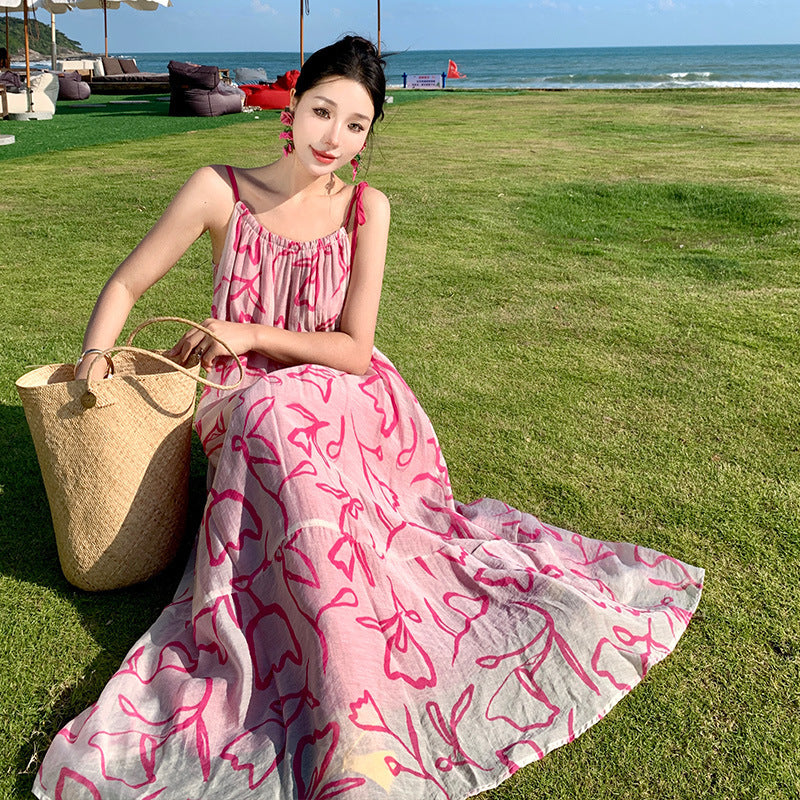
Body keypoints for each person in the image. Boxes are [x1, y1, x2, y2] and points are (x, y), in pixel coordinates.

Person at [35, 36, 703, 800]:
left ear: (369, 135)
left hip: (348, 392)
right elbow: (126, 285)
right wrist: (93, 361)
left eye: (356, 125)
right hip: (243, 400)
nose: (333, 138)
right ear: (291, 104)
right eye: (322, 111)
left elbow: (354, 350)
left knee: (291, 421)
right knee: (270, 417)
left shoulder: (366, 209)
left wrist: (250, 332)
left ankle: (350, 685)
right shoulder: (219, 190)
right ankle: (339, 684)